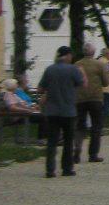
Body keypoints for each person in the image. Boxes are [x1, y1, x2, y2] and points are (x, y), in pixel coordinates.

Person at [36, 46, 86, 178]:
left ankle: (50, 169)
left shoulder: (50, 69)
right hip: (69, 111)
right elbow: (82, 84)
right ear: (68, 56)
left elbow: (40, 89)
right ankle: (67, 168)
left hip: (52, 111)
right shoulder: (73, 69)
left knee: (52, 141)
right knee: (68, 141)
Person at [74, 42, 108, 163]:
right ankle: (93, 154)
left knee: (79, 125)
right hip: (96, 98)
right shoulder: (99, 65)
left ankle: (76, 151)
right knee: (96, 126)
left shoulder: (77, 65)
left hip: (80, 99)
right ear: (93, 52)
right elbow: (106, 82)